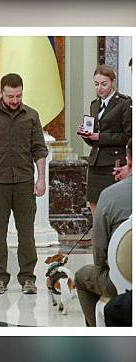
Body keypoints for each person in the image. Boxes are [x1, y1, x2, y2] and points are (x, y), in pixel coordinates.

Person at [0, 73, 49, 295]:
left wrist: (41, 178)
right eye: (10, 96)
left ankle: (27, 278)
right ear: (1, 93)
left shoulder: (32, 116)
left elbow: (39, 150)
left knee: (26, 232)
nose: (15, 100)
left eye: (18, 95)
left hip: (25, 183)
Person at [75, 138, 132, 326]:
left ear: (128, 161)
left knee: (82, 277)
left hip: (122, 281)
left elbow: (99, 256)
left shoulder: (109, 195)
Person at [78, 64, 132, 215]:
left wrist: (99, 137)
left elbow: (128, 136)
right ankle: (98, 237)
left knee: (112, 207)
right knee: (94, 205)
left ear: (112, 81)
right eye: (96, 84)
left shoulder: (124, 103)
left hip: (113, 162)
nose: (99, 88)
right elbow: (94, 140)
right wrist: (86, 136)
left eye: (103, 84)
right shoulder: (94, 105)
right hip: (96, 162)